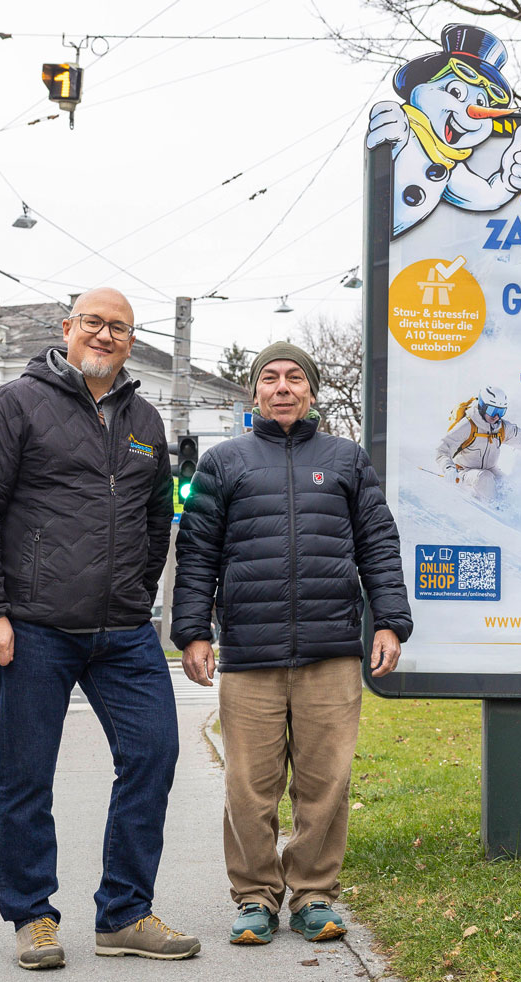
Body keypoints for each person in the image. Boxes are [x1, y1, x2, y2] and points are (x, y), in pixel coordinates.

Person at [0, 287, 200, 969]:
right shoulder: (14, 404)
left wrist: (137, 594)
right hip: (35, 626)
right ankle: (32, 914)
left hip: (123, 629)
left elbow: (156, 518)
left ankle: (124, 913)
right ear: (68, 328)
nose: (106, 335)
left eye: (120, 327)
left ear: (131, 340)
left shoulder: (144, 417)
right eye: (94, 322)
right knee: (27, 775)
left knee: (153, 755)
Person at [172, 341, 413, 945]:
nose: (282, 387)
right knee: (248, 786)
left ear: (311, 390)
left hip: (331, 651)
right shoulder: (223, 463)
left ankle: (313, 894)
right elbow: (197, 554)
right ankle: (255, 896)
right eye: (270, 378)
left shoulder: (346, 459)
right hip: (250, 654)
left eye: (294, 378)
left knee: (324, 782)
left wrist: (389, 621)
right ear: (254, 391)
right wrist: (194, 632)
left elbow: (378, 544)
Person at [435, 384, 521, 500]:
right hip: (465, 471)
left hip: (491, 470)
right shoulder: (468, 425)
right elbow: (442, 449)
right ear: (482, 407)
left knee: (510, 487)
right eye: (492, 411)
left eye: (501, 412)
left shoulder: (502, 428)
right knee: (485, 478)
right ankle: (492, 508)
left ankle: (509, 509)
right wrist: (449, 468)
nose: (496, 416)